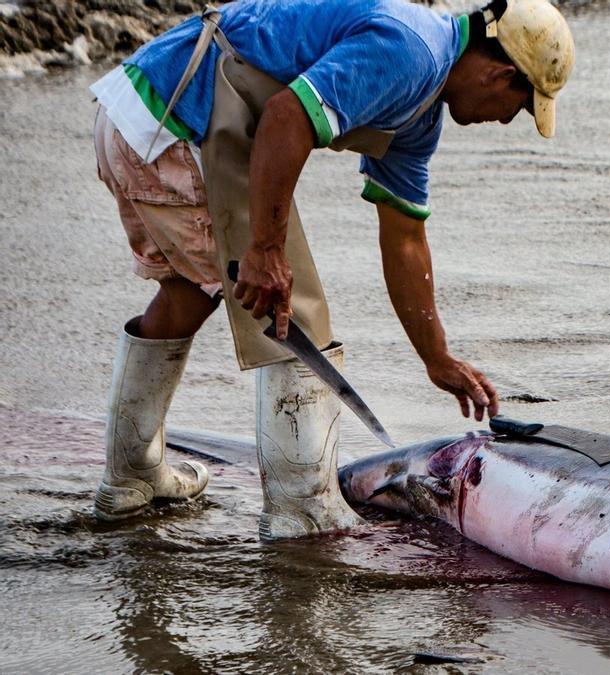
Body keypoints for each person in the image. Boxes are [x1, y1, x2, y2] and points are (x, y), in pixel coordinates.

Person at [89, 0, 574, 538]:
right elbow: (286, 116)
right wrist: (266, 248)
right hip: (175, 121)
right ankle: (303, 510)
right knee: (286, 310)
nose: (506, 119)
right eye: (520, 105)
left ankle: (130, 478)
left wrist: (435, 356)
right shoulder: (411, 52)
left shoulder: (420, 112)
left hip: (139, 116)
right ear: (501, 72)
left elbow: (405, 235)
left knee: (192, 292)